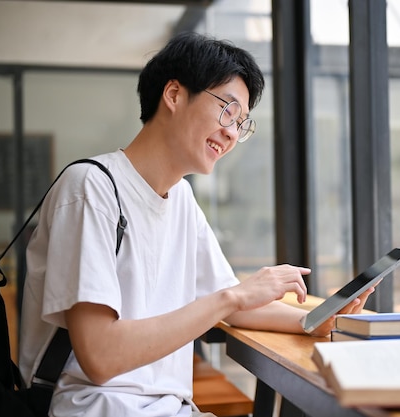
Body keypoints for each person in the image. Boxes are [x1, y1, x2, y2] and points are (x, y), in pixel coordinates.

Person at [19, 31, 373, 417]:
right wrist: (234, 296)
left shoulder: (182, 200)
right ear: (173, 95)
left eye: (241, 123)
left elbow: (229, 305)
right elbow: (101, 357)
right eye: (227, 110)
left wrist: (314, 321)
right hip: (96, 408)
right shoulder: (92, 189)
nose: (232, 133)